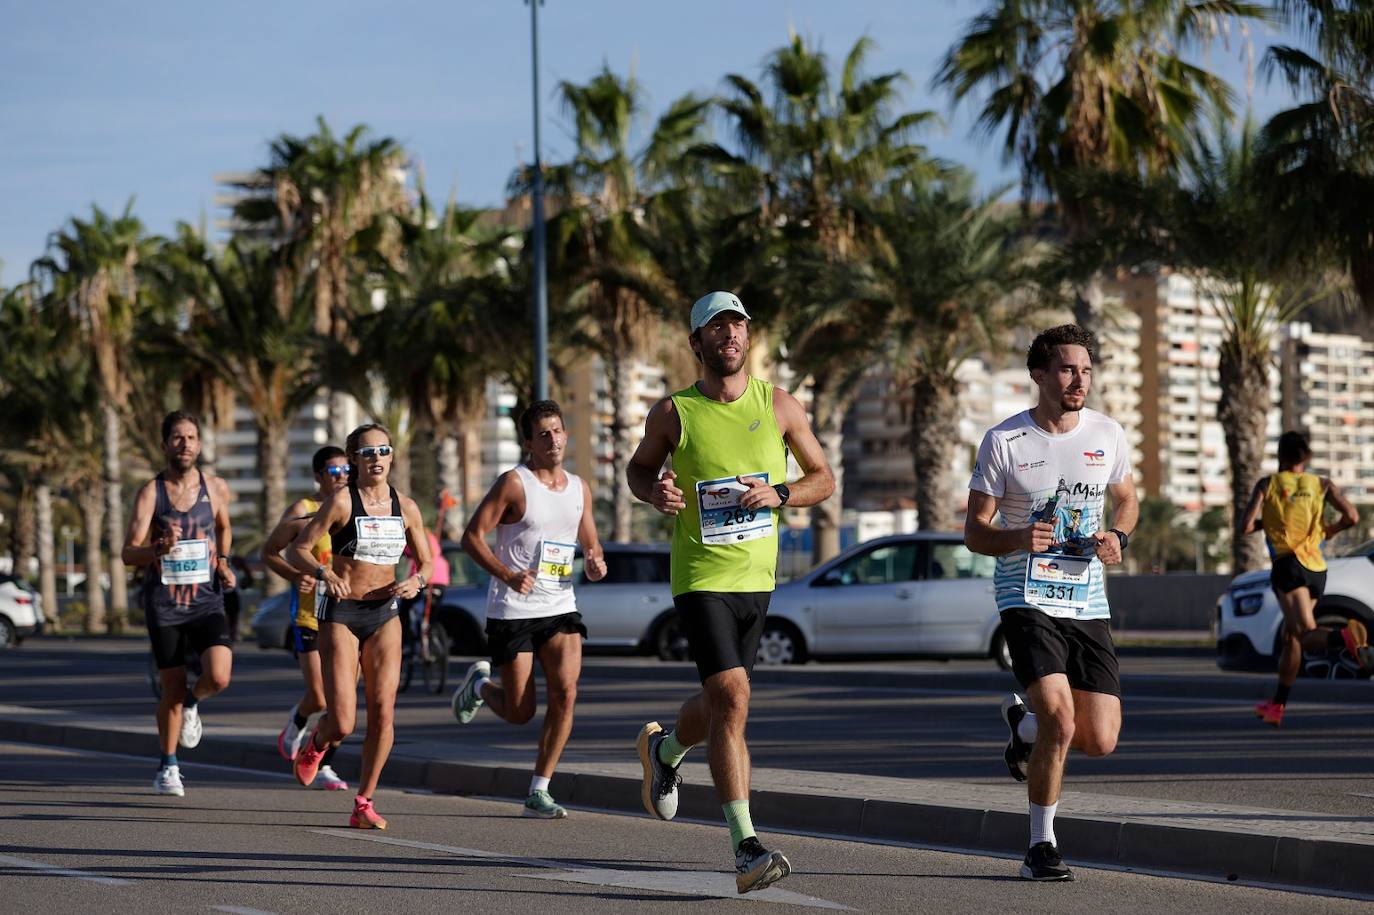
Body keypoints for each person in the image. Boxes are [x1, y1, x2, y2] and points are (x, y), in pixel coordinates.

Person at [625, 291, 835, 894]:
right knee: (734, 696)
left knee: (723, 705)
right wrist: (654, 492)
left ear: (749, 337)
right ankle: (745, 846)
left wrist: (782, 494)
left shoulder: (780, 405)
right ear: (697, 343)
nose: (729, 335)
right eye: (716, 328)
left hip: (757, 578)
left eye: (737, 325)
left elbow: (823, 479)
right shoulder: (675, 412)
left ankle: (665, 752)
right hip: (701, 576)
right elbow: (641, 470)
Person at [965, 324, 1139, 882]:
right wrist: (1018, 538)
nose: (1078, 380)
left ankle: (1025, 730)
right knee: (1062, 719)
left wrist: (1119, 536)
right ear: (1039, 374)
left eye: (1085, 370)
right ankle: (1041, 845)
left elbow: (1128, 498)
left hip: (1086, 601)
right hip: (1026, 596)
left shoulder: (1107, 433)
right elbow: (974, 531)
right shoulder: (1005, 441)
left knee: (1100, 739)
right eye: (1067, 369)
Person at [450, 400, 607, 819]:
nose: (552, 439)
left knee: (566, 694)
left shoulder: (579, 487)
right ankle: (481, 687)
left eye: (557, 431)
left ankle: (540, 787)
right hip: (513, 608)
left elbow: (589, 540)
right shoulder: (514, 484)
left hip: (560, 604)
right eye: (543, 434)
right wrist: (506, 574)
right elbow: (472, 537)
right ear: (528, 443)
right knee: (521, 712)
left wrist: (595, 560)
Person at [287, 424, 432, 829]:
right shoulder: (341, 503)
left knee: (384, 714)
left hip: (385, 612)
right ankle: (317, 741)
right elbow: (296, 547)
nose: (376, 458)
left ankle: (363, 802)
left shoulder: (408, 507)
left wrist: (416, 580)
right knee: (344, 722)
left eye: (383, 450)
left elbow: (428, 562)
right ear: (354, 459)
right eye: (367, 452)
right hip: (342, 614)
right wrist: (322, 572)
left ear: (392, 457)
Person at [121, 410, 236, 797]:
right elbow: (127, 553)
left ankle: (194, 700)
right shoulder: (151, 493)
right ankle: (168, 766)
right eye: (177, 438)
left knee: (219, 675)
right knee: (169, 687)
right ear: (165, 444)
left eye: (191, 437)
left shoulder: (215, 487)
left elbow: (223, 526)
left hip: (206, 599)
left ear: (199, 444)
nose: (184, 444)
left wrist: (223, 561)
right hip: (165, 602)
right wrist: (158, 547)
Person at [1239, 430, 1366, 725]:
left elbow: (1246, 526)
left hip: (1288, 566)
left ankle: (1345, 638)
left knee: (1307, 633)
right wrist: (1329, 530)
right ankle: (1278, 706)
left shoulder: (1268, 484)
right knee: (1291, 637)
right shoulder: (1321, 484)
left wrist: (1267, 521)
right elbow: (1352, 516)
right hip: (1316, 568)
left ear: (1280, 456)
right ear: (1305, 458)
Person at [261, 445, 351, 790]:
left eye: (346, 470)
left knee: (342, 698)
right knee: (319, 696)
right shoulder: (305, 509)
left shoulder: (354, 508)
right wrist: (296, 575)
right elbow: (270, 552)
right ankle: (298, 720)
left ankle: (325, 764)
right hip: (309, 614)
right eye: (333, 471)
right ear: (318, 476)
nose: (341, 476)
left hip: (345, 616)